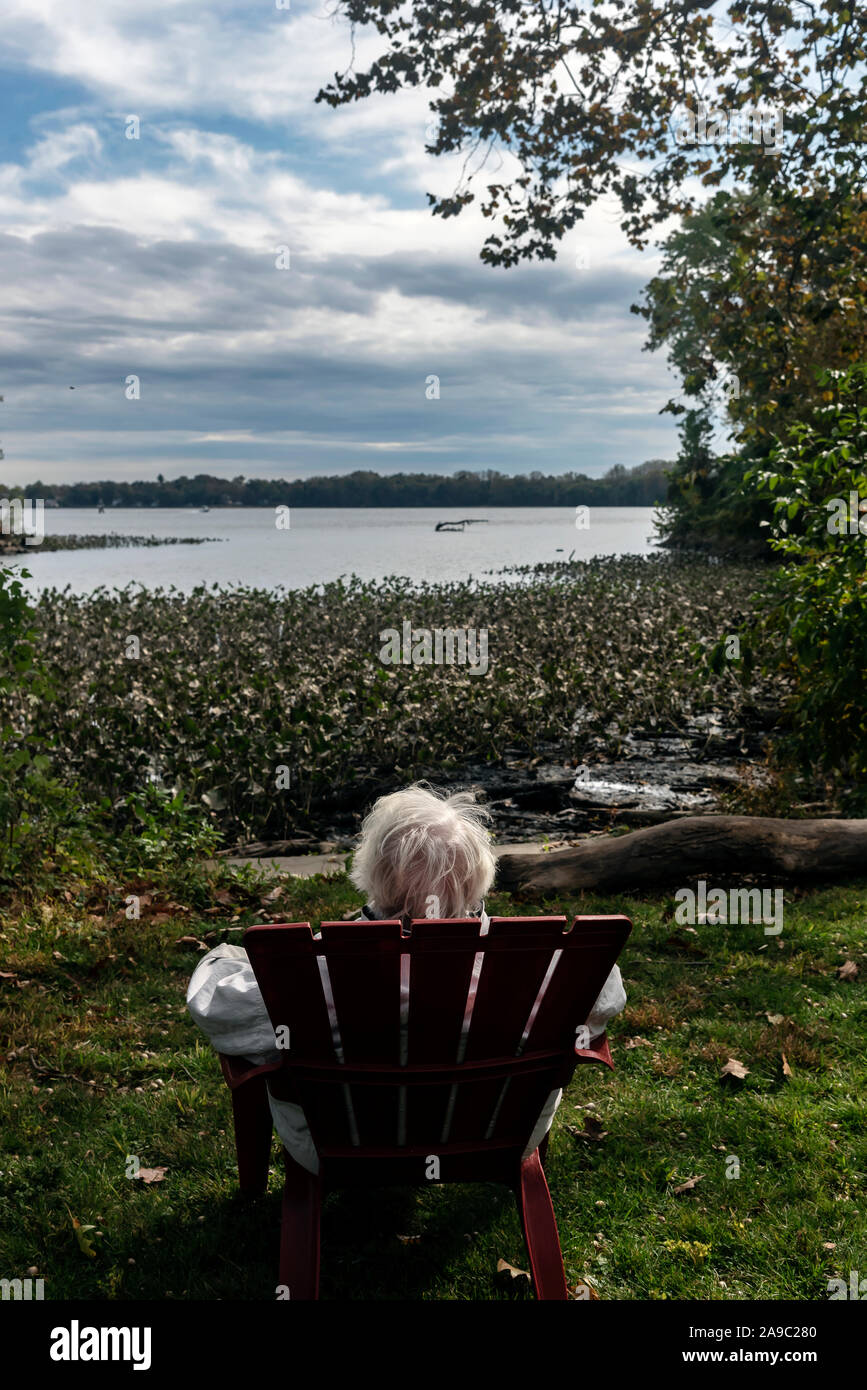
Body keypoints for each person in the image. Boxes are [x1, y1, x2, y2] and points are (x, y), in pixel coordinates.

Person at [187, 782, 626, 1174]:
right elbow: (604, 1000)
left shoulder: (308, 974)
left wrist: (221, 961)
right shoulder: (550, 971)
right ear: (479, 878)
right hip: (498, 1136)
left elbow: (220, 1011)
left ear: (372, 874)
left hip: (338, 1145)